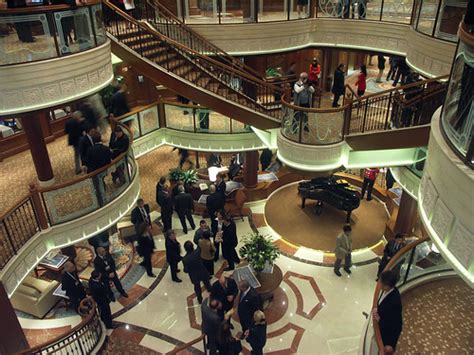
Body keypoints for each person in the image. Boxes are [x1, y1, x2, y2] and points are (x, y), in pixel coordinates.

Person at [373, 271, 403, 351]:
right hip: (387, 324)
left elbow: (392, 323)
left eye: (381, 283)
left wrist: (378, 319)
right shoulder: (390, 290)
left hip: (389, 331)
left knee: (387, 349)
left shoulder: (393, 302)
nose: (380, 285)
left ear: (387, 286)